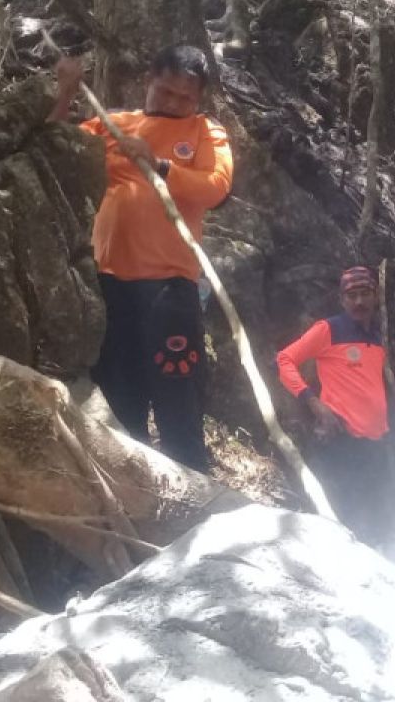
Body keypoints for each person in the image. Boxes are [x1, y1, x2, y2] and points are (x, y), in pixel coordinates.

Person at [48, 45, 233, 473]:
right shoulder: (115, 124)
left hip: (170, 289)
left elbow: (216, 188)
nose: (173, 103)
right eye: (165, 91)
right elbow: (53, 146)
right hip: (109, 284)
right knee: (118, 395)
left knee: (177, 396)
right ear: (149, 81)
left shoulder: (206, 131)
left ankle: (193, 491)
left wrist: (161, 165)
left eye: (184, 98)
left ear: (198, 100)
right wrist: (65, 93)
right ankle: (132, 490)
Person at [276, 266, 391, 542]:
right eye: (352, 296)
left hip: (375, 445)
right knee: (340, 519)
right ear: (342, 300)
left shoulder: (378, 337)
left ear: (376, 297)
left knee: (373, 520)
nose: (359, 302)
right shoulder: (329, 329)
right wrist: (314, 403)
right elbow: (284, 360)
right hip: (340, 442)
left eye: (365, 294)